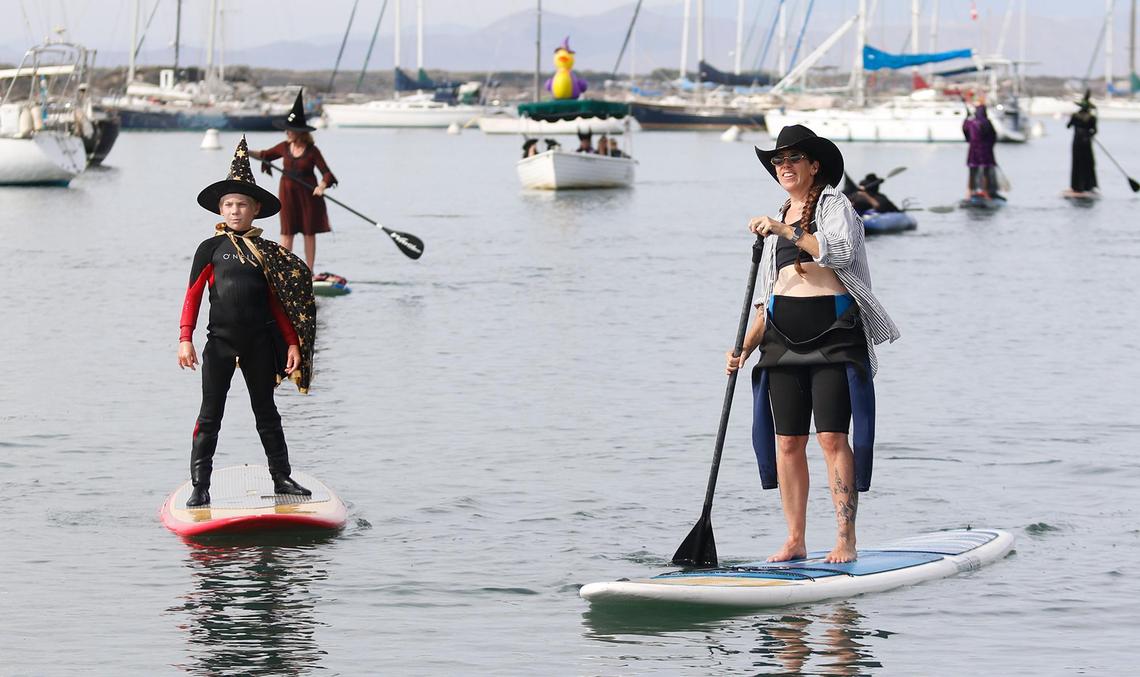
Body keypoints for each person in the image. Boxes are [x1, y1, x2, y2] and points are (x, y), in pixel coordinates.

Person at [726, 125, 900, 563]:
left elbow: (838, 253)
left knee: (831, 438)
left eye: (793, 159)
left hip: (834, 333)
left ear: (813, 165)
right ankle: (795, 538)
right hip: (781, 339)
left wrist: (785, 233)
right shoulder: (780, 216)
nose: (784, 166)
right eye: (778, 161)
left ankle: (845, 538)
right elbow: (768, 298)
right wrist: (743, 350)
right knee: (788, 442)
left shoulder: (834, 205)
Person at [179, 136, 318, 507]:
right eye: (228, 204)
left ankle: (282, 478)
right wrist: (185, 338)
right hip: (219, 345)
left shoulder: (266, 254)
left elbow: (277, 303)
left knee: (267, 413)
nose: (235, 210)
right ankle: (200, 485)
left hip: (259, 344)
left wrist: (292, 343)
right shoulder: (209, 249)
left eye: (242, 204)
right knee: (210, 416)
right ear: (219, 209)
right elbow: (192, 295)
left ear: (255, 209)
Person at [250, 89, 338, 275]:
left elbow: (327, 174)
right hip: (288, 195)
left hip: (308, 196)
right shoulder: (283, 147)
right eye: (287, 130)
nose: (287, 132)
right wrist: (246, 151)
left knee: (308, 233)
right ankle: (285, 271)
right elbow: (265, 155)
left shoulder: (312, 150)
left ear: (300, 132)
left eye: (291, 130)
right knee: (287, 232)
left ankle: (310, 271)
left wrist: (322, 186)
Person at [962, 104, 1001, 199]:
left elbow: (965, 132)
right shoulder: (987, 122)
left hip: (973, 152)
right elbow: (993, 136)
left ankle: (969, 192)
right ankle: (986, 192)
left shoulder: (970, 123)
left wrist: (967, 118)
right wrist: (990, 146)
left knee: (972, 171)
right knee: (986, 171)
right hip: (986, 152)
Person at [1067, 92, 1098, 193]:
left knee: (1077, 163)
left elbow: (1068, 126)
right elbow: (1094, 131)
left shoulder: (1075, 116)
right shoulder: (1092, 118)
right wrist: (1089, 134)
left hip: (1077, 142)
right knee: (1088, 163)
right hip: (1086, 143)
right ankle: (1088, 186)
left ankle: (1077, 186)